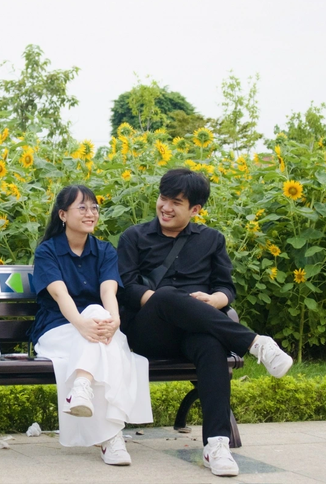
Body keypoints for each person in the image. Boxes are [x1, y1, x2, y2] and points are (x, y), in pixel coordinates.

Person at [117, 168, 293, 477]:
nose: (165, 207)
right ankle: (255, 343)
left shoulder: (211, 240)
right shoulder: (134, 236)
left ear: (196, 209)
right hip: (149, 331)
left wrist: (214, 301)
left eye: (176, 202)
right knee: (169, 295)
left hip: (195, 332)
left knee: (211, 345)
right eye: (162, 198)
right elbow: (127, 288)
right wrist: (166, 301)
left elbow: (226, 288)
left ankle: (216, 445)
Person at [30, 185, 153, 466]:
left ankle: (83, 386)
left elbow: (109, 293)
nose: (91, 213)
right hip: (58, 329)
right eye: (82, 208)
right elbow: (60, 295)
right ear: (62, 214)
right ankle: (113, 440)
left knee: (100, 325)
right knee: (105, 346)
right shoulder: (47, 251)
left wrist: (115, 322)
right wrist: (82, 323)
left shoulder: (105, 250)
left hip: (96, 328)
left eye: (94, 208)